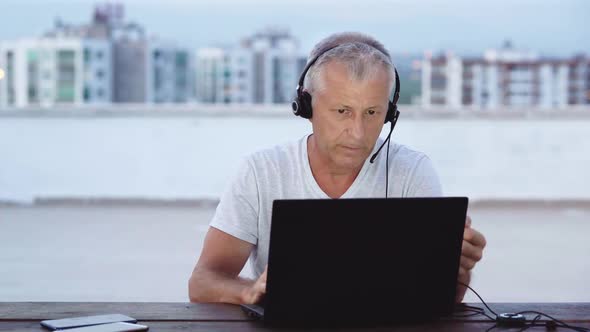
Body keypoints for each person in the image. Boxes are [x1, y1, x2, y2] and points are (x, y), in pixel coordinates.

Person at [188, 32, 486, 305]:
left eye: (372, 113)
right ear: (306, 106)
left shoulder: (412, 171)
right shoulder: (261, 171)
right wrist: (247, 291)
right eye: (343, 111)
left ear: (389, 113)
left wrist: (459, 268)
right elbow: (203, 282)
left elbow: (444, 300)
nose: (357, 133)